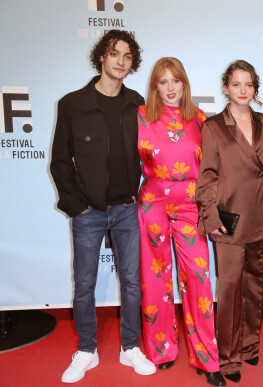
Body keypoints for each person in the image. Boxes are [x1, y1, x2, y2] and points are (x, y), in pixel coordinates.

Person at [50, 29, 155, 383]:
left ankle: (130, 346)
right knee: (84, 284)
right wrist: (77, 206)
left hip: (127, 209)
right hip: (88, 213)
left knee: (132, 282)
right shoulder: (72, 104)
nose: (121, 61)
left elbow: (152, 156)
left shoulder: (138, 104)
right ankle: (86, 349)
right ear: (101, 57)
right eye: (115, 54)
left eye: (127, 56)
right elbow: (60, 163)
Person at [137, 57, 225, 387]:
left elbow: (214, 169)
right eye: (164, 82)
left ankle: (207, 357)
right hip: (153, 204)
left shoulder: (201, 119)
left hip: (191, 205)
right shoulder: (141, 117)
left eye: (176, 81)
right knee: (155, 279)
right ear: (155, 87)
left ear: (184, 84)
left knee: (199, 279)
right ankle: (162, 350)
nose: (171, 88)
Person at [196, 60, 263, 384]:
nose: (243, 90)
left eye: (248, 84)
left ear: (255, 88)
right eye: (236, 84)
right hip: (228, 216)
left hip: (260, 212)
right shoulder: (213, 126)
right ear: (226, 87)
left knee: (256, 285)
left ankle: (249, 343)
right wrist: (210, 216)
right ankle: (228, 359)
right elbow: (207, 176)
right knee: (229, 290)